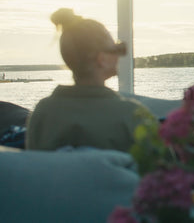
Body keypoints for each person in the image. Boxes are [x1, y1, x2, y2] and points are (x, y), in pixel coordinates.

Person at [26, 8, 148, 152]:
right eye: (116, 49)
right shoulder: (132, 115)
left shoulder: (43, 112)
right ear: (102, 59)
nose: (119, 57)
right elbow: (164, 170)